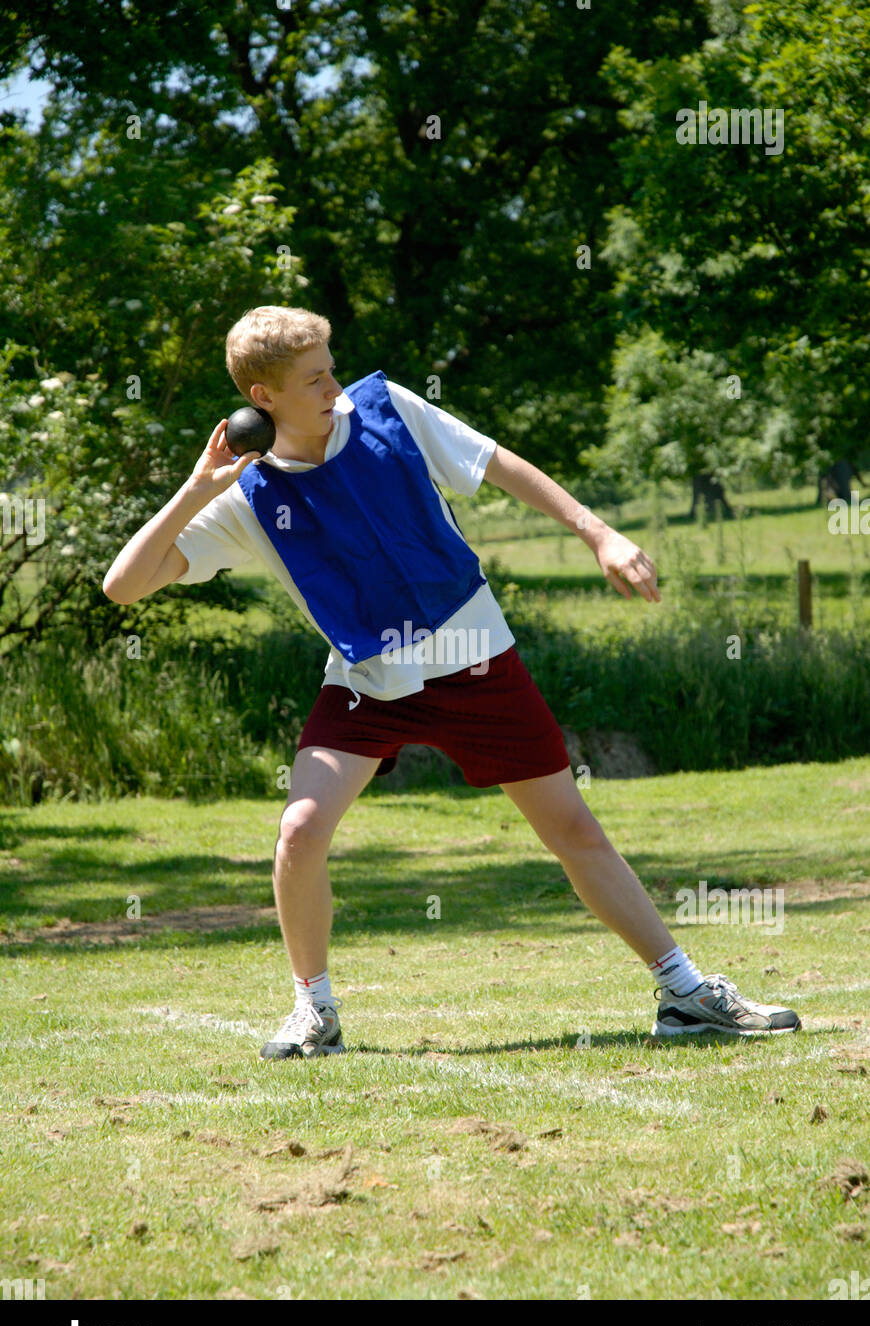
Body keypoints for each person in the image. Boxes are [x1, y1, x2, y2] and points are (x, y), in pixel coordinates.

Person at [103, 305, 801, 1058]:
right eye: (315, 378)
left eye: (332, 365)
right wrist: (197, 489)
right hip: (367, 682)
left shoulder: (388, 409)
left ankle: (685, 992)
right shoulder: (248, 498)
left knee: (571, 829)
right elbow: (124, 585)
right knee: (300, 830)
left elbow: (497, 464)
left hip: (474, 657)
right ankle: (315, 1013)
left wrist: (597, 532)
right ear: (261, 398)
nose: (335, 384)